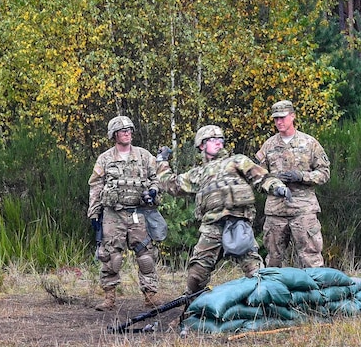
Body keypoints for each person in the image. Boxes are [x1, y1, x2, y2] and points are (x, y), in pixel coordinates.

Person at [156, 125, 290, 295]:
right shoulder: (197, 173)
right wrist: (161, 161)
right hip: (212, 227)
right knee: (196, 275)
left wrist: (277, 187)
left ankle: (265, 307)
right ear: (201, 145)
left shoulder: (237, 161)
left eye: (220, 140)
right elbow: (171, 184)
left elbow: (262, 177)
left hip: (239, 222)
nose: (219, 143)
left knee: (254, 270)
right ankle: (192, 311)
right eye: (213, 140)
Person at [87, 115, 165, 311]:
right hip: (114, 214)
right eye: (123, 131)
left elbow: (156, 178)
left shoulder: (144, 156)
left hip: (138, 213)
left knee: (146, 255)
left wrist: (154, 191)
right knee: (111, 256)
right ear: (114, 135)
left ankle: (150, 296)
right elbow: (95, 186)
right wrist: (94, 213)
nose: (127, 133)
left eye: (129, 130)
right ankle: (109, 298)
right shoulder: (105, 159)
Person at [255, 100, 330, 268]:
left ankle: (314, 293)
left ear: (293, 116)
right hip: (276, 211)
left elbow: (324, 173)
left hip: (303, 210)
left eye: (282, 117)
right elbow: (259, 178)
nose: (279, 122)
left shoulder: (310, 143)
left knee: (310, 258)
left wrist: (301, 176)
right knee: (273, 260)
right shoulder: (268, 146)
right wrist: (275, 186)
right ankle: (274, 293)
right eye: (276, 119)